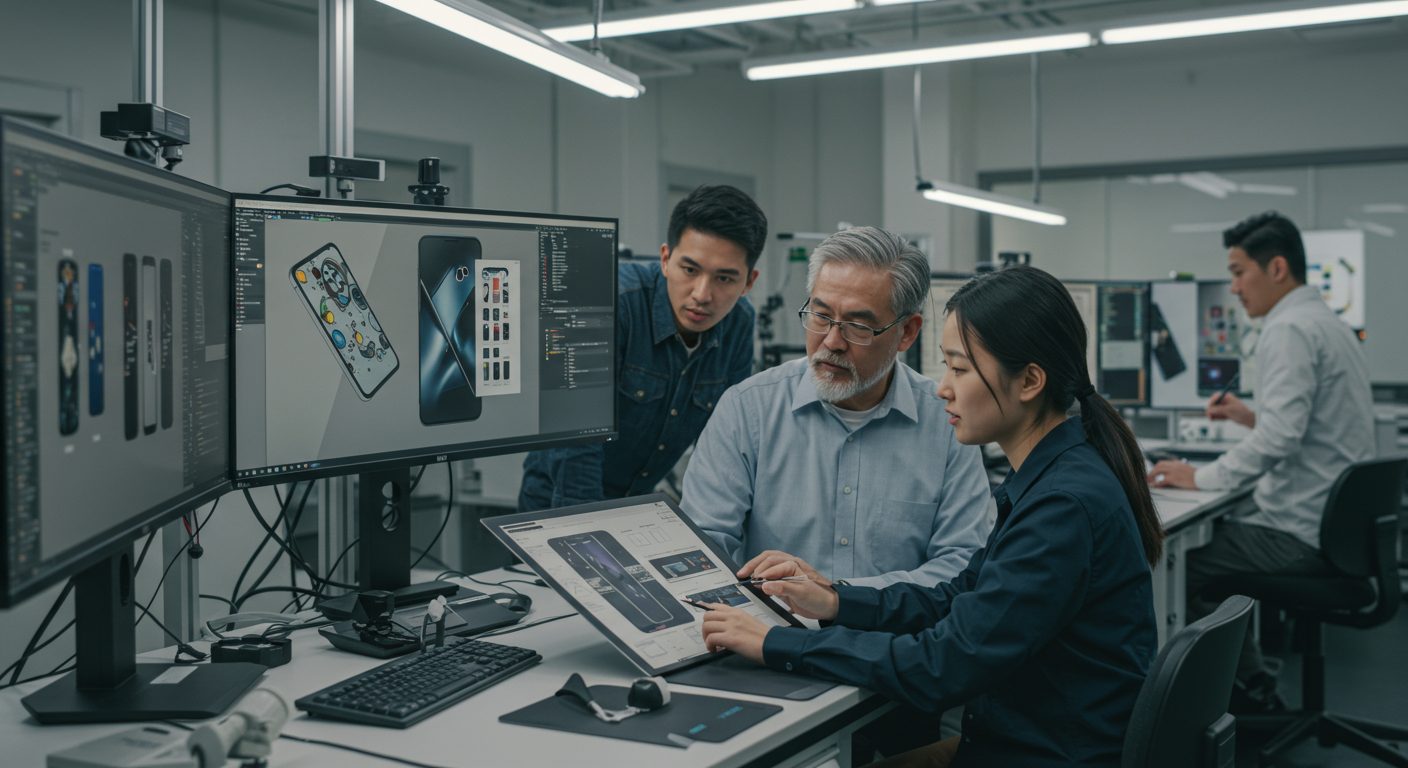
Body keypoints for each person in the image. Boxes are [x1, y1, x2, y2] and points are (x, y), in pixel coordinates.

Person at [700, 265, 1164, 768]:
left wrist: (778, 643)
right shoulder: (1057, 477)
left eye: (959, 370)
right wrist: (834, 600)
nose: (942, 388)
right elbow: (957, 595)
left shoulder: (1061, 506)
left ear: (1030, 381)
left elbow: (945, 665)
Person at [1148, 211, 1374, 710]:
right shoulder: (1328, 323)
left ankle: (1234, 693)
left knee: (1174, 563)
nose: (1233, 288)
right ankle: (1251, 682)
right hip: (1335, 528)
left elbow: (1281, 440)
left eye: (1238, 272)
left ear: (1276, 268)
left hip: (1300, 534)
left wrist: (1197, 475)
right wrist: (1251, 418)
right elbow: (1311, 427)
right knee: (1209, 538)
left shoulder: (1287, 328)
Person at [682, 227, 992, 589]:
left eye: (857, 326)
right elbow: (700, 551)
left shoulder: (947, 424)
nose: (831, 342)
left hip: (896, 627)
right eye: (820, 316)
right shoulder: (748, 410)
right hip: (771, 623)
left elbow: (962, 565)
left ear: (907, 332)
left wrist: (840, 600)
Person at [518, 185, 765, 512]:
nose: (702, 295)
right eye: (690, 270)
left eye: (724, 279)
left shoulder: (739, 322)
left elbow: (726, 440)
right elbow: (576, 441)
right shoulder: (606, 302)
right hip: (559, 502)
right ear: (666, 259)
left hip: (637, 504)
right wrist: (586, 526)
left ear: (748, 282)